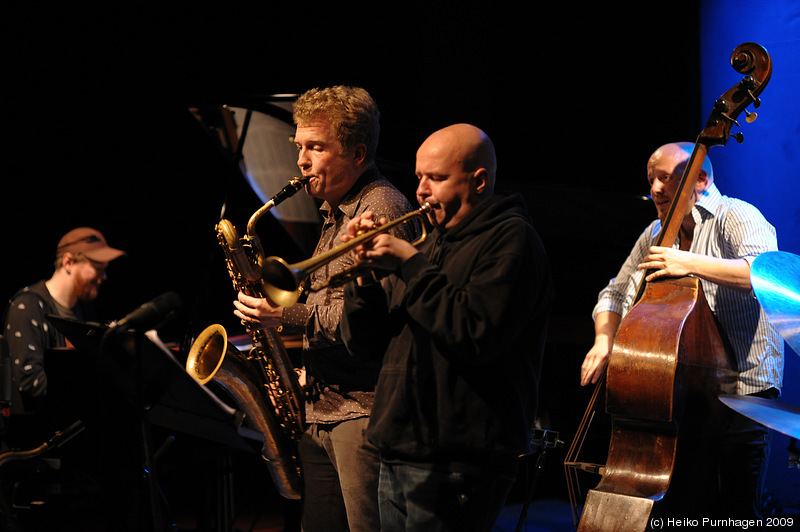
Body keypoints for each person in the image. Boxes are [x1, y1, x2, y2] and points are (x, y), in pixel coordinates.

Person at [340, 123, 554, 532]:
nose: (421, 190)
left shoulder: (512, 239)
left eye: (435, 178)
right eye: (419, 177)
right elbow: (364, 345)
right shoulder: (431, 242)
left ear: (478, 181)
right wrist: (363, 279)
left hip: (459, 458)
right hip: (400, 445)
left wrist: (409, 264)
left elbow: (475, 333)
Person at [232, 85, 418, 532]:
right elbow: (326, 302)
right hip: (323, 410)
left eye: (315, 147)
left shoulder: (382, 208)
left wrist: (283, 315)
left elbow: (367, 322)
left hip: (361, 414)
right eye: (299, 146)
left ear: (357, 153)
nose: (301, 160)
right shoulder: (335, 210)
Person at [579, 142, 784, 521]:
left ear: (700, 179)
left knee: (735, 509)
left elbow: (762, 274)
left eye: (664, 177)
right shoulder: (658, 231)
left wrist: (685, 260)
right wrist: (604, 339)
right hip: (690, 391)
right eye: (650, 179)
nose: (655, 188)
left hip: (746, 386)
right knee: (689, 506)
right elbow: (615, 292)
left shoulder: (736, 215)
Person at [3, 226, 125, 421]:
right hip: (36, 440)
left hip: (71, 431)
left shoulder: (84, 310)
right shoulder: (28, 306)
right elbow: (29, 385)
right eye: (98, 268)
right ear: (68, 262)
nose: (103, 277)